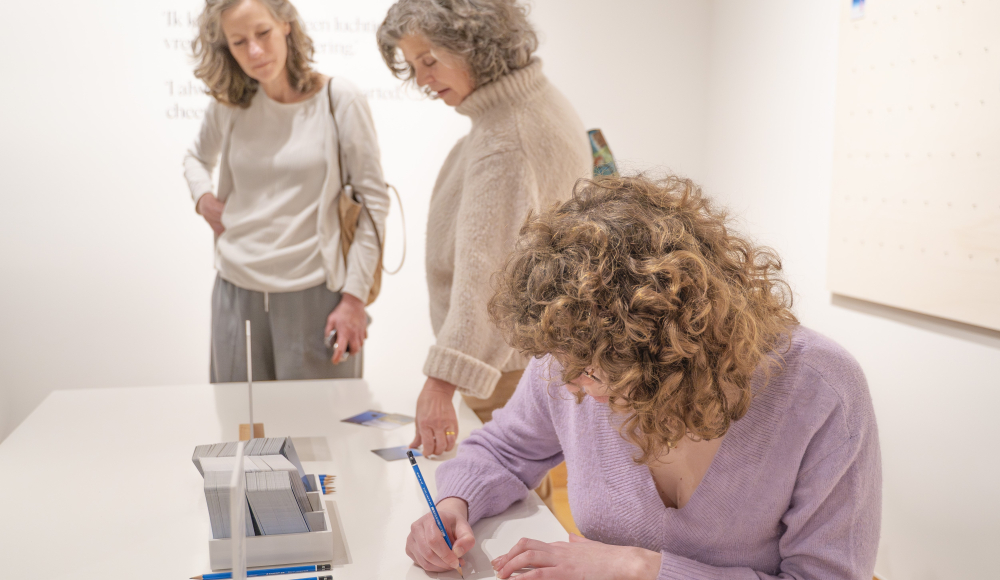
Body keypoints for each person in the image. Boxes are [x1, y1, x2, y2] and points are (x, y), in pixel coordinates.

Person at [405, 175, 882, 579]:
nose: (572, 388)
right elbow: (503, 450)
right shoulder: (571, 354)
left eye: (592, 371)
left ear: (668, 345)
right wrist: (455, 501)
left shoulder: (821, 390)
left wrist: (638, 568)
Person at [376, 0, 591, 457]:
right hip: (533, 357)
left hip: (505, 371)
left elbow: (487, 276)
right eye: (413, 65)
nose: (421, 79)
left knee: (505, 498)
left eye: (429, 61)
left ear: (474, 47)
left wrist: (440, 384)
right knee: (528, 488)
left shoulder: (505, 139)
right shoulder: (533, 100)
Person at [184, 0, 388, 382]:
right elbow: (195, 157)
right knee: (241, 431)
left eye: (262, 33)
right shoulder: (230, 104)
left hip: (315, 292)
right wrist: (203, 200)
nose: (255, 52)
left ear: (286, 25)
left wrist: (354, 299)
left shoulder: (338, 98)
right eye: (239, 42)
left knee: (319, 431)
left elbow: (374, 201)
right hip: (235, 290)